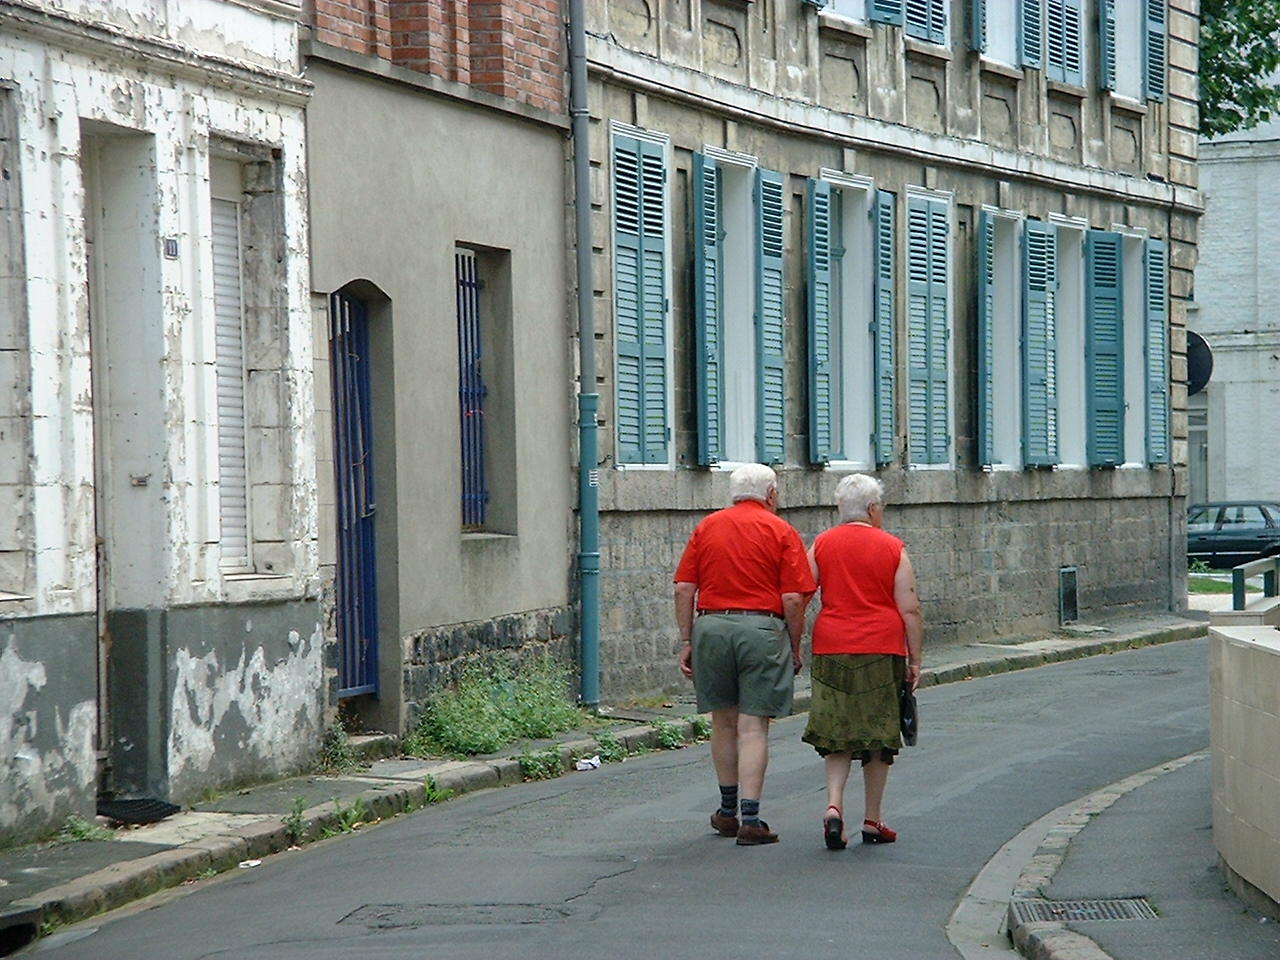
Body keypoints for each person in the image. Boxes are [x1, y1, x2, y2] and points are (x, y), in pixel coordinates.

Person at [674, 464, 815, 846]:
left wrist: (687, 639)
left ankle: (726, 811)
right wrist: (795, 644)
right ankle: (751, 819)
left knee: (723, 722)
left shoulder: (707, 527)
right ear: (770, 494)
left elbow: (685, 588)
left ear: (733, 494)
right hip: (761, 629)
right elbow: (792, 598)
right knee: (753, 726)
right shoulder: (781, 530)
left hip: (711, 626)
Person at [801, 473, 923, 850]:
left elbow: (802, 593)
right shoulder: (892, 548)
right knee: (878, 736)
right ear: (872, 509)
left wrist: (794, 641)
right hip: (881, 648)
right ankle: (872, 819)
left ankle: (834, 806)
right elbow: (910, 608)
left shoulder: (821, 544)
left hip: (832, 645)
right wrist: (914, 660)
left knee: (836, 732)